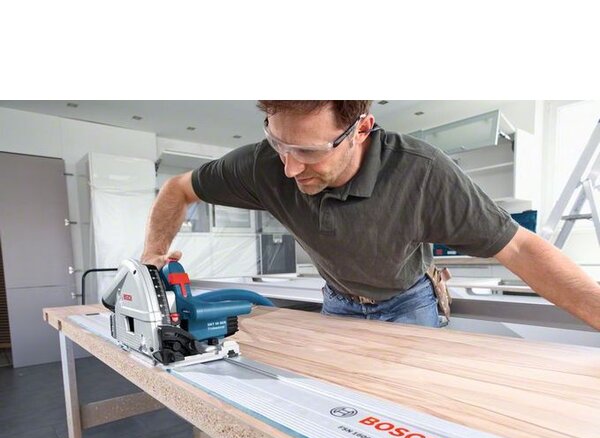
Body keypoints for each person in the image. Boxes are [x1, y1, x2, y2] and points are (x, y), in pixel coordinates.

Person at [141, 100, 600, 330]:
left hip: (408, 302)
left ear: (361, 129)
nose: (290, 167)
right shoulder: (264, 165)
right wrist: (151, 257)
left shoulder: (422, 173)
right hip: (337, 301)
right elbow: (179, 189)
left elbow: (518, 247)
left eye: (309, 150)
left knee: (412, 413)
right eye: (279, 143)